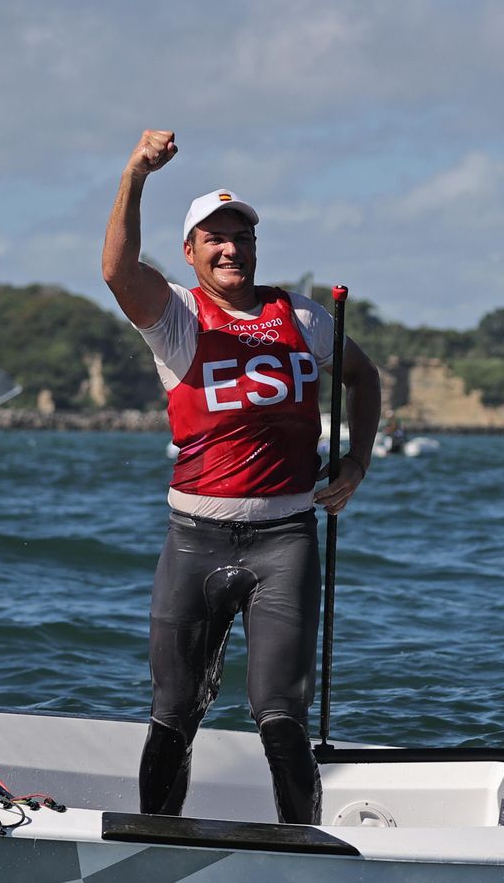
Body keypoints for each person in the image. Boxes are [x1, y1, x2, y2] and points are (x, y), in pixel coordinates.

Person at [102, 129, 381, 825]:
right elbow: (115, 270)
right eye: (214, 239)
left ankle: (304, 853)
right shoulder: (176, 318)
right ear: (190, 253)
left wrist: (356, 462)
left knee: (280, 712)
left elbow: (363, 376)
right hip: (194, 540)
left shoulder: (306, 318)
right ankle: (155, 849)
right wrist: (137, 171)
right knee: (175, 711)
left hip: (284, 538)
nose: (232, 249)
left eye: (243, 237)